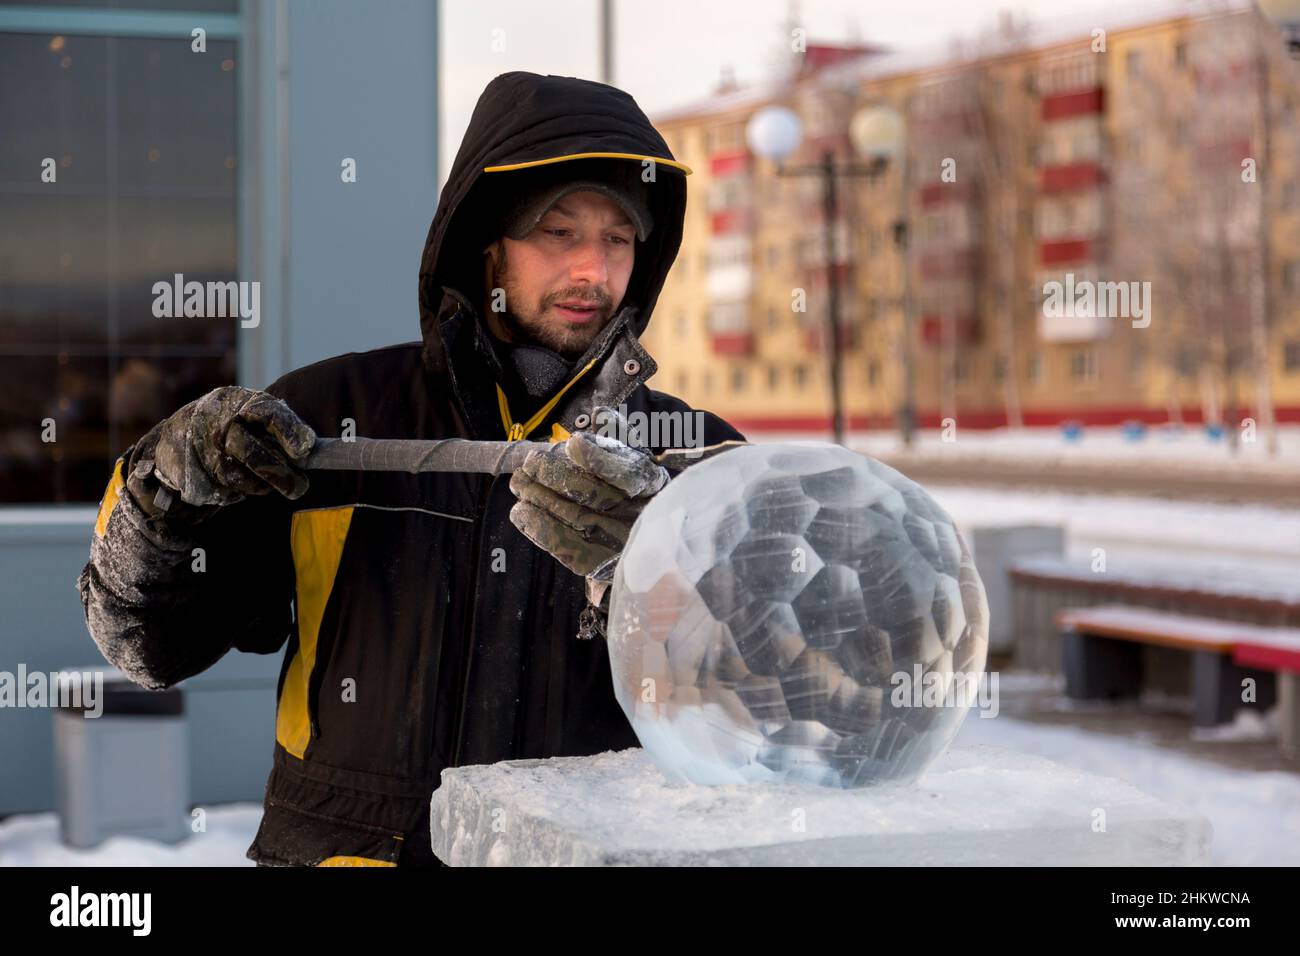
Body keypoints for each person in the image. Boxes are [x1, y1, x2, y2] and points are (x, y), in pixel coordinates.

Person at [77, 71, 744, 866]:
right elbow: (147, 647)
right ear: (488, 247)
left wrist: (657, 572)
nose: (592, 272)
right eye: (557, 233)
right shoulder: (331, 415)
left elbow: (769, 709)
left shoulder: (693, 460)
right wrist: (161, 498)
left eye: (618, 239)